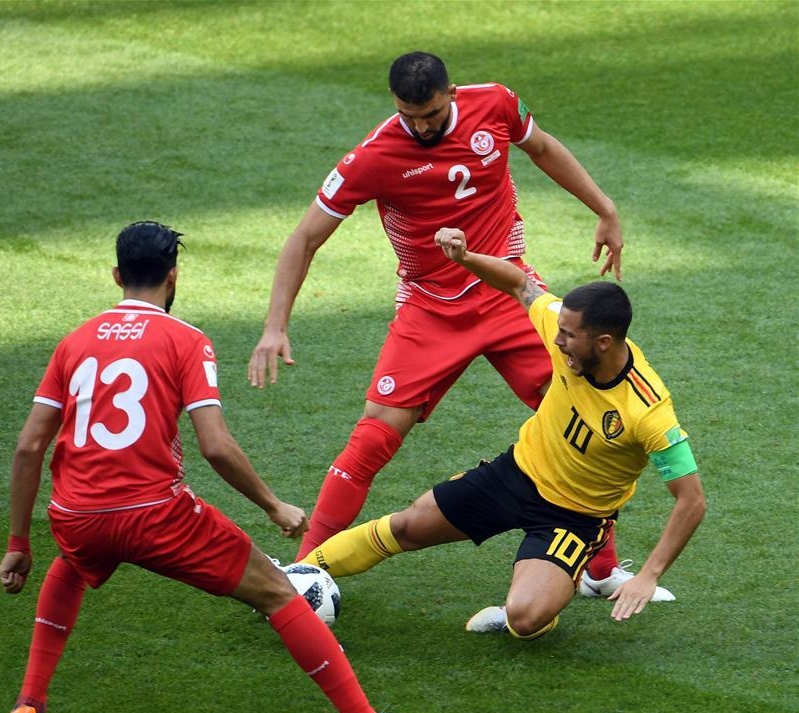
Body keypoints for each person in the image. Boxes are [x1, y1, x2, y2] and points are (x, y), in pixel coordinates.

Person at [0, 221, 422, 713]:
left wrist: (18, 543)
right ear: (172, 278)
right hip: (155, 515)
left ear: (115, 276)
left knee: (73, 563)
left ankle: (28, 705)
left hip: (76, 515)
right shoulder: (186, 340)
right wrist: (273, 505)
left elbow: (29, 447)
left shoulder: (74, 343)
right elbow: (215, 446)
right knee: (277, 592)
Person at [248, 51, 662, 599]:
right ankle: (302, 574)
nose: (420, 127)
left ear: (452, 94)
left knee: (580, 416)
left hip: (509, 294)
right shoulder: (373, 156)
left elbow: (541, 147)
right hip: (429, 309)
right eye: (407, 116)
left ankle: (601, 570)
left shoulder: (494, 103)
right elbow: (305, 237)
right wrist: (275, 326)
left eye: (432, 115)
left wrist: (605, 208)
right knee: (372, 439)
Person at [298, 227, 706, 638]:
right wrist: (465, 259)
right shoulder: (562, 329)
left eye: (568, 336)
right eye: (559, 330)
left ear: (602, 342)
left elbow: (692, 499)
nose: (558, 342)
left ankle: (548, 593)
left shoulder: (649, 410)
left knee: (525, 620)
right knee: (405, 527)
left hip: (574, 517)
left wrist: (649, 575)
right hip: (515, 474)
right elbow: (518, 282)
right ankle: (300, 576)